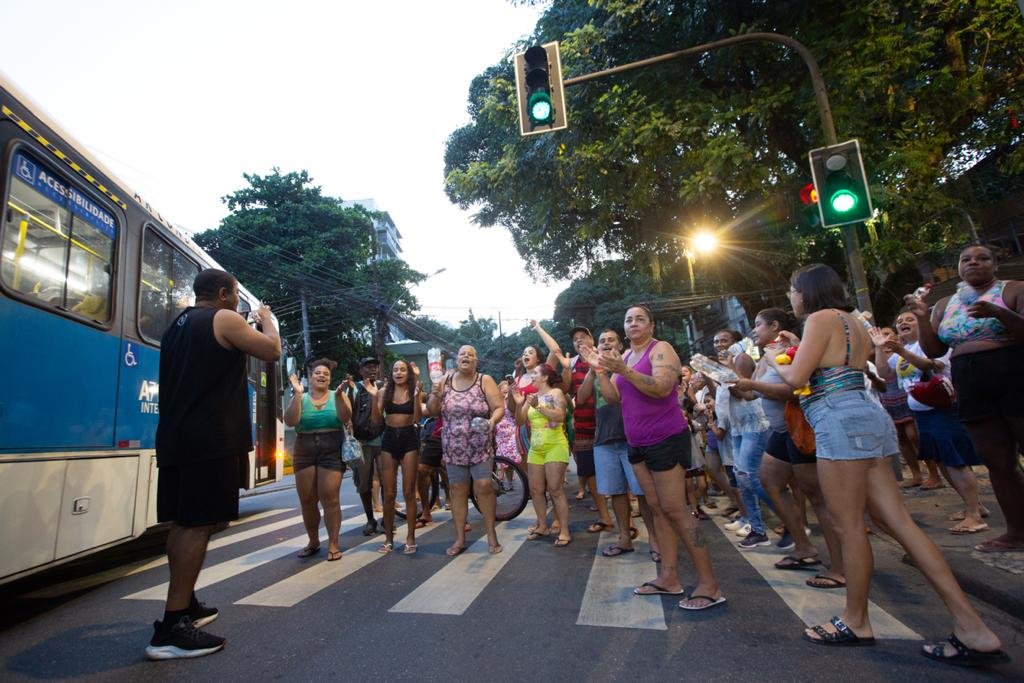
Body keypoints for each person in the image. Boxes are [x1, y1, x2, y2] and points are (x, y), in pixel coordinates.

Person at [770, 263, 1006, 666]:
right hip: (869, 417)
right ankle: (972, 627)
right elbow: (858, 369)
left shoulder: (819, 319)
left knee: (848, 527)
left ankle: (855, 619)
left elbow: (795, 377)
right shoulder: (854, 322)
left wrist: (777, 356)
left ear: (807, 291)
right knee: (899, 523)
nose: (791, 297)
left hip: (839, 421)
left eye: (793, 289)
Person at [148, 269, 280, 660]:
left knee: (184, 522)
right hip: (209, 440)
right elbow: (271, 351)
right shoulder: (224, 319)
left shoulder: (178, 325)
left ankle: (184, 603)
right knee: (197, 524)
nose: (237, 301)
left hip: (177, 436)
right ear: (224, 294)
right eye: (236, 294)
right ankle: (172, 627)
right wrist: (267, 320)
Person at [584, 304, 724, 610]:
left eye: (639, 319)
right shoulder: (626, 357)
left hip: (665, 438)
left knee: (676, 509)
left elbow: (662, 389)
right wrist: (600, 370)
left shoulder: (661, 350)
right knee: (657, 510)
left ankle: (709, 585)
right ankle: (669, 578)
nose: (633, 323)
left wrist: (623, 370)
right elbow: (613, 399)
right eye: (628, 320)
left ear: (651, 325)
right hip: (637, 443)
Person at [910, 244, 1024, 554]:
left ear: (995, 264)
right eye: (966, 259)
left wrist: (998, 312)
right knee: (998, 461)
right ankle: (1016, 532)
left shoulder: (1013, 289)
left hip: (1013, 374)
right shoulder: (946, 303)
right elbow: (934, 350)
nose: (974, 262)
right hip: (970, 382)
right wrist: (922, 317)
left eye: (983, 258)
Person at [733, 308, 846, 588]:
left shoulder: (790, 349)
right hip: (780, 430)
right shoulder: (764, 357)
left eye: (758, 324)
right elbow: (749, 394)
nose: (753, 330)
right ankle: (804, 546)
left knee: (816, 496)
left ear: (775, 326)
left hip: (800, 427)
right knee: (768, 480)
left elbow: (795, 389)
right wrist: (730, 380)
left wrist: (753, 383)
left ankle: (840, 568)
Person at [873, 312, 987, 533]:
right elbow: (884, 372)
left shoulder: (935, 345)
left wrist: (901, 351)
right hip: (922, 413)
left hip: (944, 409)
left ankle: (974, 514)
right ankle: (974, 506)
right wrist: (879, 348)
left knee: (956, 461)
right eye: (899, 321)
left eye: (909, 319)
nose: (902, 323)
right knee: (943, 461)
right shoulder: (903, 351)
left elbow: (932, 366)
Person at [580, 328, 659, 559]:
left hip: (630, 435)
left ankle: (655, 539)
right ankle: (625, 538)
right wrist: (593, 370)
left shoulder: (628, 363)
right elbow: (583, 398)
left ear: (620, 345)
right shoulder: (597, 370)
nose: (605, 343)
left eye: (610, 340)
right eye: (602, 340)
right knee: (615, 492)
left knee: (641, 491)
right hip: (604, 438)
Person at [426, 345, 505, 555]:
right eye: (462, 354)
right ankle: (460, 539)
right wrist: (435, 394)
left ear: (476, 361)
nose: (466, 357)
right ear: (456, 359)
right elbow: (432, 411)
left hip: (480, 445)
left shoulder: (484, 380)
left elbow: (499, 407)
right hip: (453, 447)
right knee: (458, 491)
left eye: (471, 354)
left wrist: (491, 421)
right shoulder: (444, 380)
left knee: (484, 486)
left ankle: (491, 536)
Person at [284, 359, 351, 562]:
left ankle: (333, 543)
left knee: (330, 498)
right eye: (317, 373)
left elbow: (345, 417)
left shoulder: (337, 395)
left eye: (326, 374)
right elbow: (290, 420)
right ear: (310, 377)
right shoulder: (301, 397)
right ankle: (313, 541)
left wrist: (339, 397)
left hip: (332, 446)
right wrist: (296, 394)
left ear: (330, 379)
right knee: (307, 500)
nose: (321, 376)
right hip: (304, 447)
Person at [714, 329, 774, 549]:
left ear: (734, 342)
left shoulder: (742, 358)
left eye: (724, 340)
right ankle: (757, 529)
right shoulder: (727, 362)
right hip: (738, 427)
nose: (720, 344)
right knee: (742, 477)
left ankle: (789, 522)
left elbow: (746, 392)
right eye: (717, 341)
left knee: (751, 476)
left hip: (754, 424)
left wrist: (727, 375)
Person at [513, 362, 573, 547]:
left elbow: (560, 416)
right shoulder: (531, 397)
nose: (531, 377)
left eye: (535, 374)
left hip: (555, 445)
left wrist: (538, 406)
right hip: (536, 449)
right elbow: (520, 421)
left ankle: (564, 530)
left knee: (555, 488)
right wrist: (519, 404)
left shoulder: (555, 393)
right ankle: (542, 526)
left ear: (545, 377)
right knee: (536, 490)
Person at [874, 326, 939, 489]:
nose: (885, 337)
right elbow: (882, 371)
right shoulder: (878, 354)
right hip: (888, 399)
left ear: (895, 336)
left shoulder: (903, 352)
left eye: (888, 334)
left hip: (906, 397)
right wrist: (878, 348)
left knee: (914, 435)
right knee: (901, 437)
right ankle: (916, 474)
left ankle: (934, 473)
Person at [370, 359, 423, 554]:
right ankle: (389, 539)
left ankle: (410, 537)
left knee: (409, 491)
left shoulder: (414, 390)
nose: (399, 372)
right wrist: (377, 399)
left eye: (403, 369)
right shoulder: (384, 392)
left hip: (409, 438)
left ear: (408, 373)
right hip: (389, 438)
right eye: (395, 369)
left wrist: (417, 396)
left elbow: (417, 418)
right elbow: (376, 421)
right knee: (389, 493)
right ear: (391, 373)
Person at [345, 357, 385, 536]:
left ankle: (387, 519)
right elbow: (347, 414)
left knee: (387, 481)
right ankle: (370, 519)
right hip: (363, 443)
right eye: (368, 366)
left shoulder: (384, 387)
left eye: (375, 366)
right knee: (364, 484)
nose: (372, 369)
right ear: (361, 370)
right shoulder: (353, 389)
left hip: (383, 440)